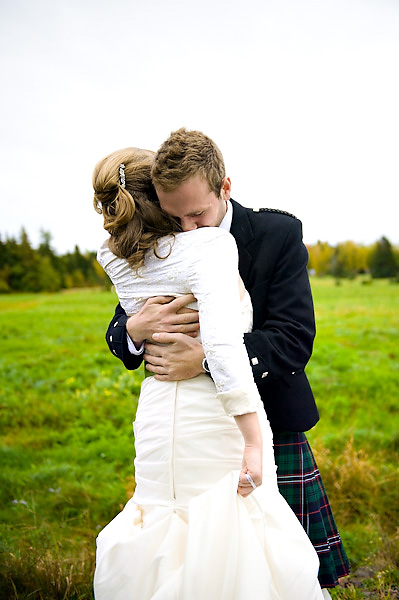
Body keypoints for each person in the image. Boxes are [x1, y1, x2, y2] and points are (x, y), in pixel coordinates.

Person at [104, 128, 350, 594]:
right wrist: (134, 331)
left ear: (225, 188)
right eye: (177, 218)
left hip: (268, 416)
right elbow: (121, 327)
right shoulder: (161, 237)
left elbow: (294, 339)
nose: (189, 230)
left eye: (198, 213)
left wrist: (208, 361)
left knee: (270, 565)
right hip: (186, 432)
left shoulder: (277, 234)